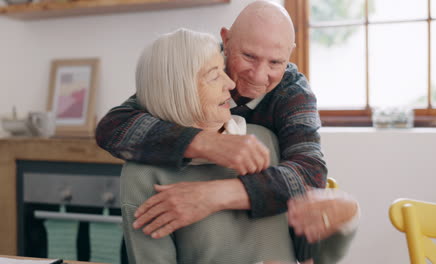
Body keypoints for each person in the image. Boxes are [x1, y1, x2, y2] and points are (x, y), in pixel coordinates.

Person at [97, 1, 358, 263]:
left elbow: (308, 177)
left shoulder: (281, 113)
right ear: (226, 40)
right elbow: (113, 126)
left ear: (289, 55)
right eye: (248, 57)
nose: (258, 76)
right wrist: (203, 143)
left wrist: (213, 195)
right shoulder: (196, 64)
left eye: (276, 62)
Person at [121, 28, 298, 264]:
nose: (231, 83)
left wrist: (340, 223)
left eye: (223, 71)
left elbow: (312, 248)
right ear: (180, 90)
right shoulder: (142, 175)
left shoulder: (265, 139)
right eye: (215, 76)